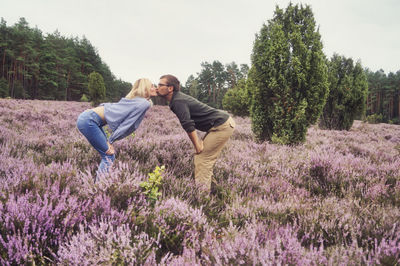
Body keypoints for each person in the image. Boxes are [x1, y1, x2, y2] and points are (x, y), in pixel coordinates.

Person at [156, 74, 235, 193]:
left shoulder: (178, 101)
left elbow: (188, 124)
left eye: (160, 85)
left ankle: (202, 199)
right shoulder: (176, 99)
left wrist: (197, 145)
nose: (157, 87)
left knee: (203, 158)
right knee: (205, 158)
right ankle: (215, 191)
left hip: (221, 126)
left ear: (170, 88)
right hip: (219, 124)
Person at [76, 78, 157, 182]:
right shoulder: (143, 103)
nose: (154, 88)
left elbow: (114, 107)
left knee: (108, 155)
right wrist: (111, 140)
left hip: (90, 118)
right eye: (152, 86)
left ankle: (99, 185)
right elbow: (127, 125)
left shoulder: (139, 101)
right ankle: (97, 188)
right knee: (109, 156)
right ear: (145, 88)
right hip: (89, 120)